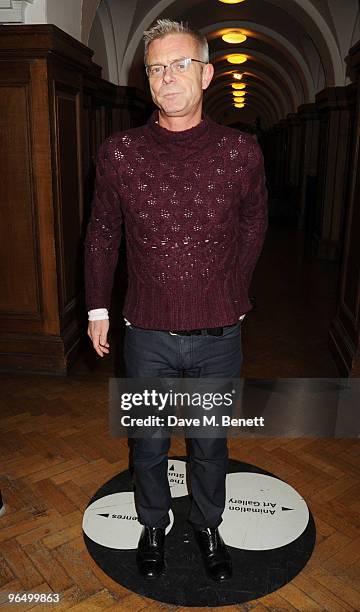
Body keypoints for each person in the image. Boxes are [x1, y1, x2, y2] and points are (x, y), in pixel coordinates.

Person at [84, 19, 268, 582]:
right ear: (147, 81)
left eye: (181, 64)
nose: (169, 77)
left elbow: (254, 222)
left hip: (219, 337)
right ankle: (153, 524)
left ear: (206, 73)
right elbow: (101, 233)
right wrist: (96, 308)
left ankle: (209, 525)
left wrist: (230, 288)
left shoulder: (240, 152)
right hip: (146, 334)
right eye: (157, 67)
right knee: (148, 442)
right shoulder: (119, 153)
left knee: (210, 444)